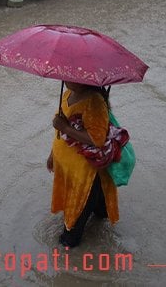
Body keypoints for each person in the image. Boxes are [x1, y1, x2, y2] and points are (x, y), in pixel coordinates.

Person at [46, 81, 119, 248]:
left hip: (85, 172)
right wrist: (52, 155)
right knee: (98, 210)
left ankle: (68, 247)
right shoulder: (67, 94)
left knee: (72, 228)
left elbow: (97, 139)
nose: (63, 77)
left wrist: (65, 127)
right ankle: (100, 214)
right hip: (68, 167)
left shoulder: (95, 102)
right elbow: (59, 132)